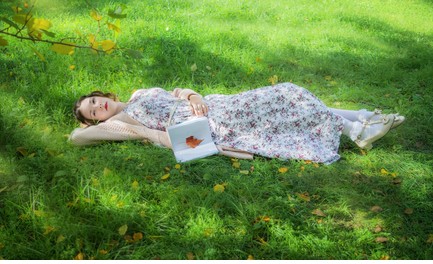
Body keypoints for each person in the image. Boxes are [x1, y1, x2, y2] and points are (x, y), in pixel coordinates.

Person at [70, 83, 404, 164]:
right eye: (94, 112)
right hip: (212, 124)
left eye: (95, 100)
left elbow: (180, 89)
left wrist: (192, 95)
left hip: (213, 103)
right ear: (97, 121)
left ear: (104, 94)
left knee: (287, 94)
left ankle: (361, 119)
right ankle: (357, 128)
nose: (99, 106)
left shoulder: (141, 92)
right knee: (284, 98)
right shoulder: (125, 121)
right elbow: (76, 139)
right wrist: (86, 128)